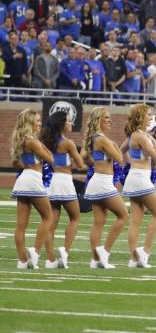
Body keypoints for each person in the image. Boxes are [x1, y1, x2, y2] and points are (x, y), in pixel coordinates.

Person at [81, 107, 129, 269]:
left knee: (99, 222)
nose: (110, 120)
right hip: (102, 183)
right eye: (106, 118)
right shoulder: (102, 139)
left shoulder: (97, 139)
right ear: (98, 121)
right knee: (123, 216)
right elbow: (119, 157)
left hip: (98, 181)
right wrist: (115, 145)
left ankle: (95, 260)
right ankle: (104, 251)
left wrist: (113, 144)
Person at [11, 109, 57, 269]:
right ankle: (35, 251)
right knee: (48, 217)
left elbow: (16, 163)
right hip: (33, 180)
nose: (40, 124)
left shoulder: (22, 140)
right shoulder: (33, 142)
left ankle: (22, 261)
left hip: (23, 180)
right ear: (30, 123)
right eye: (37, 121)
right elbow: (51, 158)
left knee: (20, 225)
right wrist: (43, 145)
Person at [121, 104, 156, 268]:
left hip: (135, 177)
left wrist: (130, 162)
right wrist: (155, 143)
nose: (151, 117)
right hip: (140, 178)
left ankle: (134, 259)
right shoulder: (140, 136)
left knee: (136, 221)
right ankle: (144, 252)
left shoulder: (134, 135)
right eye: (148, 115)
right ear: (140, 117)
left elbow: (120, 151)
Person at [40, 110, 83, 269]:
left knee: (50, 222)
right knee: (75, 218)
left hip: (50, 182)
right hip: (64, 181)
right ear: (62, 124)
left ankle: (50, 259)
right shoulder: (68, 143)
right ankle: (64, 252)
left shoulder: (44, 140)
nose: (71, 124)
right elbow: (80, 164)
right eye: (69, 121)